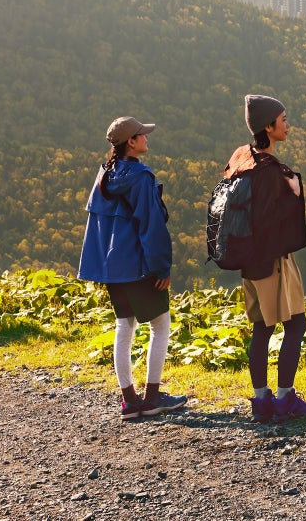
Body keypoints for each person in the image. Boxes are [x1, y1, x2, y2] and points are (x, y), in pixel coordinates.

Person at [78, 116, 190, 422]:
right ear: (131, 141)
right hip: (138, 265)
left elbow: (98, 226)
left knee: (124, 327)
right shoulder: (140, 178)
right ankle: (153, 398)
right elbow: (151, 226)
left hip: (111, 266)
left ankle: (129, 401)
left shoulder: (105, 175)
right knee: (160, 325)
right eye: (142, 134)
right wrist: (161, 267)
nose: (146, 138)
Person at [226, 93, 306, 423]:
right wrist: (294, 192)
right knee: (296, 323)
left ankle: (261, 401)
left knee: (262, 328)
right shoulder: (268, 171)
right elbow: (269, 218)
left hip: (248, 261)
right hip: (272, 261)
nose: (288, 125)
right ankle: (285, 401)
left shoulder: (241, 157)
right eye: (283, 120)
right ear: (269, 127)